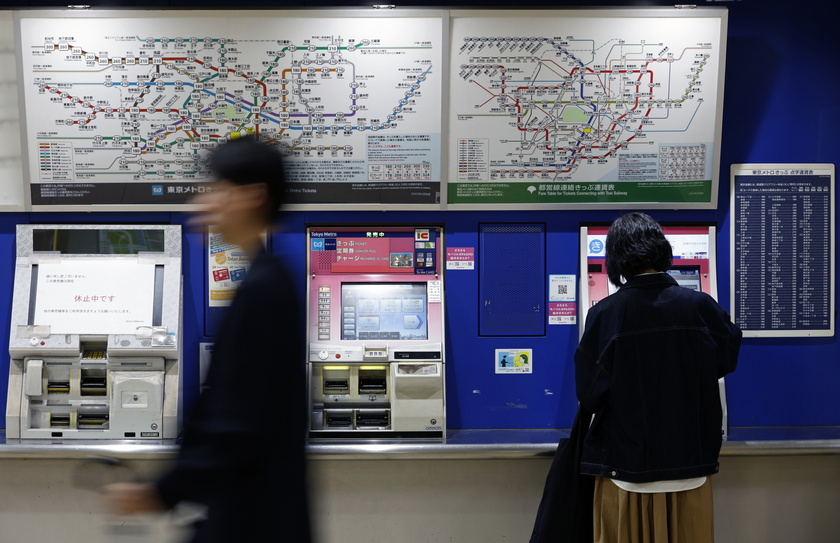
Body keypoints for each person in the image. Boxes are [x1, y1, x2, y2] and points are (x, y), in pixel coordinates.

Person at [102, 135, 313, 543]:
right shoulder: (270, 278)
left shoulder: (263, 289)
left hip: (250, 520)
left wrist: (161, 492)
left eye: (217, 189)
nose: (203, 202)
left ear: (252, 196)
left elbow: (235, 422)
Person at [575, 212, 741, 543]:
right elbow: (723, 361)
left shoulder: (604, 314)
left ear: (615, 258)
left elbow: (589, 393)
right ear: (663, 250)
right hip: (691, 466)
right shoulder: (702, 306)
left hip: (626, 471)